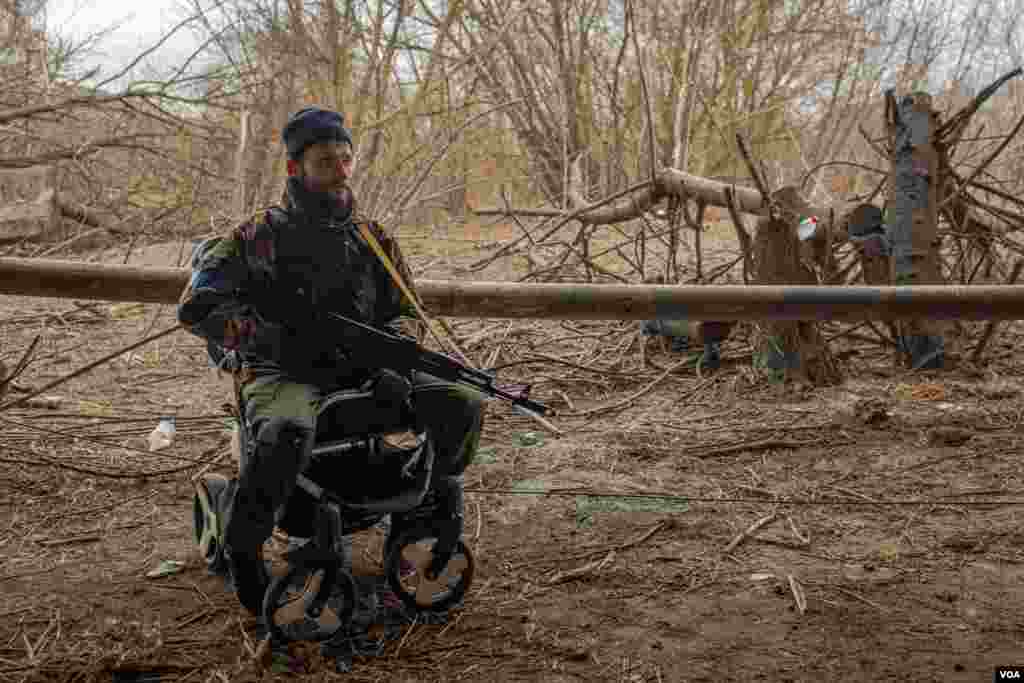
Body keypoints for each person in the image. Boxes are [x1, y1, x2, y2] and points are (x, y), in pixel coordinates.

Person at [177, 106, 485, 615]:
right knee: (284, 433)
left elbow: (407, 313)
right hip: (282, 369)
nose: (342, 171)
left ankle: (422, 510)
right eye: (326, 161)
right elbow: (197, 307)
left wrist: (393, 363)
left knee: (462, 403)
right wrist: (272, 340)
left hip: (362, 366)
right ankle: (246, 547)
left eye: (346, 159)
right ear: (296, 168)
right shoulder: (255, 236)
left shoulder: (373, 238)